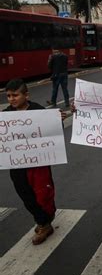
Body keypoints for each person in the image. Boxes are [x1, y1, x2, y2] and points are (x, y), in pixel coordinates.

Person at [4, 79, 65, 245]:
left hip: (38, 164)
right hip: (16, 164)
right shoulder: (6, 114)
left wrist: (57, 120)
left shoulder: (38, 110)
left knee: (42, 193)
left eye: (15, 95)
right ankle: (43, 221)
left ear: (26, 95)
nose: (11, 99)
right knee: (25, 193)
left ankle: (45, 222)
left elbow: (50, 131)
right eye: (8, 96)